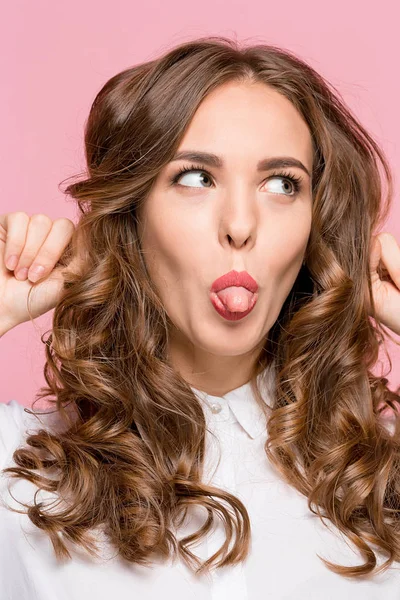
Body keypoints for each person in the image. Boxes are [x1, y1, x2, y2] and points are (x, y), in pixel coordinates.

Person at [1, 35, 400, 599]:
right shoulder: (18, 473)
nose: (240, 224)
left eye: (282, 184)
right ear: (132, 213)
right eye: (195, 177)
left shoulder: (381, 477)